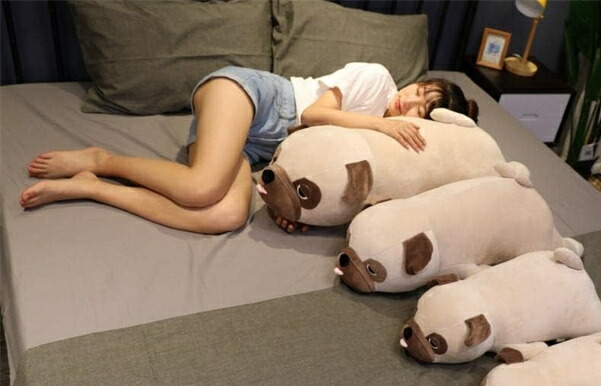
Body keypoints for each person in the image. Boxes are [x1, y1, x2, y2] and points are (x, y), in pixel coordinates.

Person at [21, 63, 479, 234]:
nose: (409, 102)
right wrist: (382, 124)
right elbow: (314, 115)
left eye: (422, 109)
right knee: (200, 189)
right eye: (420, 90)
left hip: (258, 149)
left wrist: (290, 204)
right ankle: (102, 159)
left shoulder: (383, 148)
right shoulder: (377, 81)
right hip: (253, 96)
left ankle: (96, 187)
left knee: (224, 216)